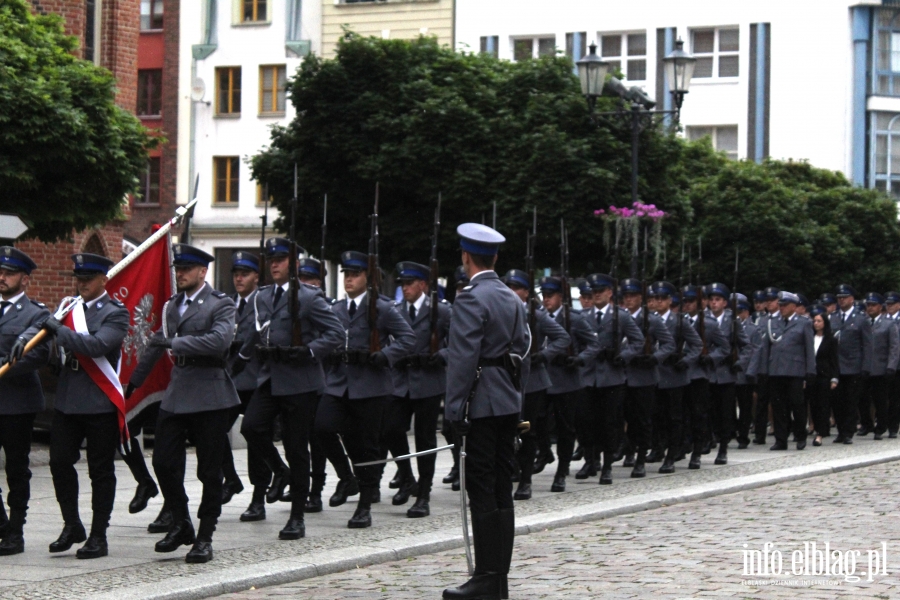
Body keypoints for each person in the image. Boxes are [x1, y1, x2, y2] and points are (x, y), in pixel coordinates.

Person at [128, 244, 240, 563]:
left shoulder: (220, 303)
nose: (182, 274)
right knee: (163, 461)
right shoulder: (172, 306)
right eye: (178, 269)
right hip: (178, 391)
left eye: (188, 269)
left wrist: (175, 342)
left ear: (203, 272)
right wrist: (133, 382)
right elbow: (155, 343)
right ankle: (181, 523)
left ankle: (205, 536)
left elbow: (219, 341)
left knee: (209, 470)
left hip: (210, 392)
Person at [22, 253, 129, 559]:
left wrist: (60, 331)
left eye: (88, 279)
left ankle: (98, 535)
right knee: (58, 463)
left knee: (100, 470)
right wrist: (28, 338)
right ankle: (72, 524)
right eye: (78, 279)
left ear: (103, 280)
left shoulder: (115, 312)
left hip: (98, 400)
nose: (81, 284)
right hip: (68, 398)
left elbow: (95, 345)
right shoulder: (70, 307)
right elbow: (43, 331)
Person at [236, 239, 344, 540]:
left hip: (301, 382)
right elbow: (256, 335)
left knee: (298, 448)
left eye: (281, 259)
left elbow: (335, 333)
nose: (274, 264)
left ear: (294, 263)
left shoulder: (309, 297)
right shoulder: (263, 296)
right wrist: (239, 362)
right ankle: (278, 470)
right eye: (271, 259)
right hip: (270, 377)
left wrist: (309, 351)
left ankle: (297, 515)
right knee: (252, 427)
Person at [442, 223, 529, 600]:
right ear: (494, 258)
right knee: (500, 489)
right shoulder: (512, 298)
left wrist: (452, 408)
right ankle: (498, 577)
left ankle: (486, 576)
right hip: (506, 399)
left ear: (465, 257)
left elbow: (462, 358)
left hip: (478, 401)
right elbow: (523, 348)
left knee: (481, 489)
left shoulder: (471, 297)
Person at [316, 250, 414, 529]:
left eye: (355, 274)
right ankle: (347, 477)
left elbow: (408, 337)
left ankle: (364, 505)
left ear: (368, 279)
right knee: (322, 427)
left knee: (368, 447)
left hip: (370, 386)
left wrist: (385, 354)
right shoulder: (335, 308)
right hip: (338, 384)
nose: (348, 279)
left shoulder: (381, 308)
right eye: (346, 274)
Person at [383, 261, 451, 517]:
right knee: (390, 429)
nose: (405, 288)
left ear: (423, 285)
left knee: (425, 439)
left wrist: (441, 354)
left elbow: (456, 341)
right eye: (402, 283)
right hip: (400, 380)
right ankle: (407, 476)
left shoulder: (441, 312)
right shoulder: (395, 310)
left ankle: (423, 493)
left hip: (428, 381)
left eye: (410, 283)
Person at [224, 251, 282, 523]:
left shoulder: (265, 301)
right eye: (236, 274)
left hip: (257, 379)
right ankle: (231, 479)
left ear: (256, 277)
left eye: (244, 274)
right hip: (231, 380)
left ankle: (258, 498)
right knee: (212, 430)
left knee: (256, 438)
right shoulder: (227, 305)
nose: (239, 279)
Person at [502, 269, 569, 500]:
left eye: (516, 288)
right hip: (508, 380)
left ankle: (526, 480)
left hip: (532, 383)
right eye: (508, 287)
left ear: (526, 292)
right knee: (509, 430)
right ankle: (514, 470)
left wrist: (545, 355)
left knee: (526, 429)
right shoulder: (501, 313)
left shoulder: (536, 316)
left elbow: (562, 337)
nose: (511, 292)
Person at [0, 248, 49, 556]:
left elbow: (37, 355)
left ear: (25, 280)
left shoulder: (37, 314)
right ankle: (1, 525)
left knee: (16, 469)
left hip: (17, 402)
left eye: (9, 274)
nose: (2, 278)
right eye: (0, 272)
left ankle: (15, 532)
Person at [295, 257, 353, 513]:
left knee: (318, 436)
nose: (304, 284)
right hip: (302, 376)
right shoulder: (293, 303)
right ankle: (302, 484)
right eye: (301, 279)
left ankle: (316, 490)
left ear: (318, 282)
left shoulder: (327, 306)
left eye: (309, 279)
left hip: (325, 377)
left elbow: (336, 337)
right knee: (302, 436)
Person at [579, 273, 643, 485]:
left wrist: (622, 356)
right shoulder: (583, 316)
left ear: (609, 293)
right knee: (586, 422)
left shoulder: (621, 316)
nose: (596, 296)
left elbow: (638, 341)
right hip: (588, 376)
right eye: (593, 292)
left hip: (611, 377)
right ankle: (590, 460)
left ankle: (607, 466)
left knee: (609, 423)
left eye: (600, 292)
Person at [537, 276, 599, 492]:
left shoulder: (574, 319)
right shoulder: (538, 317)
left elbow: (594, 344)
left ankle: (562, 470)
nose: (546, 300)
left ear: (561, 298)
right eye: (543, 296)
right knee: (534, 423)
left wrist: (579, 359)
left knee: (566, 429)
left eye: (550, 296)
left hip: (566, 381)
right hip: (542, 381)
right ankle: (544, 451)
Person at [621, 278, 674, 478]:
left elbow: (668, 344)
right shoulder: (620, 317)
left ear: (640, 298)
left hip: (644, 376)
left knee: (643, 419)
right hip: (623, 374)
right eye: (626, 296)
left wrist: (654, 358)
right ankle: (628, 450)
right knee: (625, 417)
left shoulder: (651, 319)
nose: (628, 299)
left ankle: (641, 458)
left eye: (632, 296)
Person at [648, 281, 701, 473]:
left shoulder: (679, 321)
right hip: (654, 375)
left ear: (670, 300)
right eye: (655, 298)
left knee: (674, 418)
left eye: (663, 298)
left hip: (674, 375)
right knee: (656, 416)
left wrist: (686, 361)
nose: (659, 302)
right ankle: (658, 448)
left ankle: (672, 453)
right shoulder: (649, 319)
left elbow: (697, 345)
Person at [680, 284, 728, 469]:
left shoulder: (709, 323)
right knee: (681, 415)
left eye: (691, 301)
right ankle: (682, 446)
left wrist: (709, 358)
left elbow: (724, 347)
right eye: (685, 301)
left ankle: (697, 451)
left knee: (698, 414)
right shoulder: (680, 321)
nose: (687, 305)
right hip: (681, 372)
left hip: (699, 374)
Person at [761, 292, 816, 451]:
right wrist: (764, 370)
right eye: (781, 305)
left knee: (797, 405)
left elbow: (809, 349)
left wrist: (810, 371)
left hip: (795, 371)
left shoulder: (803, 323)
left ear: (794, 306)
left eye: (785, 305)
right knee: (778, 407)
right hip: (776, 370)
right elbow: (766, 348)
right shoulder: (773, 322)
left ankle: (800, 436)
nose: (782, 308)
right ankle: (781, 439)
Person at [706, 283, 750, 465]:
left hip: (726, 372)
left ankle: (723, 447)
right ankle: (709, 440)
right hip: (707, 371)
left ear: (725, 303)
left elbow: (746, 345)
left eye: (717, 300)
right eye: (711, 299)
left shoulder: (732, 321)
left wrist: (739, 363)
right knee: (708, 412)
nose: (714, 303)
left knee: (725, 413)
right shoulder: (703, 319)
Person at [829, 284, 873, 444]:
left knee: (851, 401)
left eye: (844, 297)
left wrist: (866, 367)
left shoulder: (861, 319)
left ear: (852, 299)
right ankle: (841, 431)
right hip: (836, 367)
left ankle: (848, 431)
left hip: (854, 366)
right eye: (839, 298)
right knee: (837, 402)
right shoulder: (833, 317)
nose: (841, 300)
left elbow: (868, 345)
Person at [858, 293, 899, 439]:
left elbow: (894, 347)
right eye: (868, 305)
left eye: (873, 305)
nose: (870, 308)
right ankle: (867, 424)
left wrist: (891, 366)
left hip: (881, 367)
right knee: (862, 397)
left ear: (880, 307)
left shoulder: (889, 323)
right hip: (865, 367)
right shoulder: (863, 322)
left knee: (880, 400)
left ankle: (881, 427)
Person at [732, 294, 762, 449]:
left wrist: (751, 371)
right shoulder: (728, 325)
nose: (736, 314)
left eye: (739, 311)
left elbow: (756, 351)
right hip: (730, 373)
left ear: (745, 312)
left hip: (744, 373)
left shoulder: (753, 329)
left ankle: (743, 436)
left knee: (745, 407)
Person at [808, 306, 839, 446]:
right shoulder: (810, 338)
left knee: (823, 404)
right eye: (814, 321)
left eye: (819, 321)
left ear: (824, 323)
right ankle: (817, 428)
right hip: (812, 375)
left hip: (824, 375)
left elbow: (834, 360)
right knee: (813, 404)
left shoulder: (830, 339)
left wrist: (834, 377)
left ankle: (821, 433)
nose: (816, 323)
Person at [885, 291, 900, 438]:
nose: (889, 306)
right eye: (888, 304)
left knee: (895, 398)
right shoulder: (882, 320)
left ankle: (893, 426)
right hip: (885, 363)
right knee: (885, 397)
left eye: (892, 304)